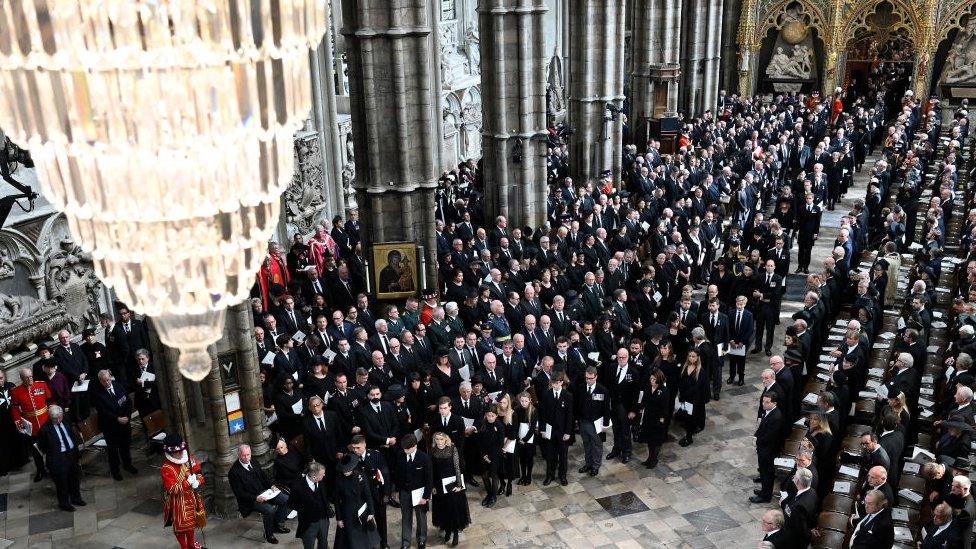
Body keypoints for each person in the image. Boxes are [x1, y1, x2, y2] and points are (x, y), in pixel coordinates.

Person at [228, 444, 291, 544]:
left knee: (285, 499)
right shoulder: (234, 472)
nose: (247, 457)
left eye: (248, 454)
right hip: (251, 499)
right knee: (269, 510)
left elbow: (264, 476)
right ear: (239, 455)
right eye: (244, 455)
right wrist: (256, 498)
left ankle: (277, 525)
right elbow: (239, 493)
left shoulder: (253, 461)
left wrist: (272, 486)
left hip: (266, 492)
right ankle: (269, 534)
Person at [90, 369, 137, 481]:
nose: (107, 383)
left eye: (108, 380)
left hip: (125, 423)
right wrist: (117, 419)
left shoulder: (118, 386)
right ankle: (115, 471)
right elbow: (103, 411)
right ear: (100, 381)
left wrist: (127, 417)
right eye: (104, 381)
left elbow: (128, 402)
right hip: (110, 426)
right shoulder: (98, 394)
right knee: (113, 451)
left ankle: (127, 464)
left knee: (125, 446)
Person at [160, 434, 205, 549]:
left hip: (192, 497)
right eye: (177, 452)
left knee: (192, 524)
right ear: (171, 453)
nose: (180, 453)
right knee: (181, 527)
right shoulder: (166, 468)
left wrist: (198, 482)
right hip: (179, 502)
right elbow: (172, 489)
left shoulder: (189, 459)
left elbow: (199, 472)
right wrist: (187, 483)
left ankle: (191, 544)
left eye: (181, 450)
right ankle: (184, 546)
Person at [37, 405, 84, 512]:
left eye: (59, 417)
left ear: (62, 415)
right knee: (62, 482)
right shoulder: (45, 430)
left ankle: (76, 498)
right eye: (55, 419)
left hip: (71, 453)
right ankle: (64, 503)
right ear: (50, 417)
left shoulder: (66, 420)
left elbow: (72, 435)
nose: (58, 420)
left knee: (74, 478)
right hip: (58, 457)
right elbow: (42, 446)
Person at [348, 434, 391, 549]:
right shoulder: (351, 459)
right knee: (365, 520)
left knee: (381, 520)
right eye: (354, 448)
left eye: (358, 447)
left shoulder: (376, 455)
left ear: (364, 444)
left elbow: (385, 474)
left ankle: (384, 543)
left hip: (377, 494)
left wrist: (386, 493)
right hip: (361, 497)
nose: (356, 450)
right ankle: (369, 544)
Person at [10, 366, 51, 482]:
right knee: (36, 451)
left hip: (45, 422)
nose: (29, 379)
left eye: (30, 376)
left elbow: (50, 400)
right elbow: (15, 409)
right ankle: (40, 471)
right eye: (26, 378)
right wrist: (18, 423)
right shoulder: (16, 391)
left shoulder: (41, 385)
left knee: (50, 447)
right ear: (21, 378)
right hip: (31, 426)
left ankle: (52, 467)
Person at [429, 432, 470, 547]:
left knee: (454, 509)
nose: (439, 441)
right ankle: (447, 530)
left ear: (446, 440)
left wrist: (459, 484)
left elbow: (457, 467)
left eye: (441, 439)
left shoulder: (452, 448)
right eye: (436, 439)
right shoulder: (432, 450)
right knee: (443, 508)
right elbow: (431, 469)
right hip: (438, 483)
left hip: (451, 483)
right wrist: (432, 486)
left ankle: (455, 533)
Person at [392, 433, 432, 549]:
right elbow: (398, 475)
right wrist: (397, 491)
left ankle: (421, 540)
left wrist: (425, 497)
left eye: (407, 449)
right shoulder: (400, 456)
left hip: (419, 494)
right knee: (406, 517)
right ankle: (405, 543)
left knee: (421, 518)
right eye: (403, 449)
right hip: (404, 492)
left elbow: (429, 479)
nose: (405, 451)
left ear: (415, 446)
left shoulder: (424, 458)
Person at [334, 453, 380, 549]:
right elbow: (337, 501)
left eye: (348, 470)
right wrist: (338, 518)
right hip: (347, 512)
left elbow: (368, 495)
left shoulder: (361, 476)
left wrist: (371, 512)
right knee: (351, 541)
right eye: (344, 470)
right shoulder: (338, 480)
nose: (345, 472)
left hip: (362, 510)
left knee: (366, 539)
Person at [537, 372, 573, 486]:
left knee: (563, 455)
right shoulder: (546, 394)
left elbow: (570, 416)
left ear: (562, 382)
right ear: (551, 383)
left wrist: (568, 432)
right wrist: (542, 429)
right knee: (550, 455)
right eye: (553, 383)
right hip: (549, 430)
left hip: (562, 431)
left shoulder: (568, 396)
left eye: (558, 383)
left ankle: (562, 476)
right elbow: (542, 413)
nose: (556, 385)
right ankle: (550, 475)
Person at [576, 366, 611, 476]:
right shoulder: (581, 388)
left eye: (591, 378)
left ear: (596, 377)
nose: (589, 380)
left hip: (596, 423)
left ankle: (595, 466)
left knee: (596, 445)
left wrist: (605, 424)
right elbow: (578, 405)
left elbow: (606, 409)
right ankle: (588, 463)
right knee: (586, 444)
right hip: (583, 422)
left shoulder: (603, 390)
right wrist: (577, 421)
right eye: (587, 378)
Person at [289, 460, 332, 549]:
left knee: (323, 542)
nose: (324, 475)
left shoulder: (321, 482)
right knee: (309, 545)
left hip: (323, 519)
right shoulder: (297, 486)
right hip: (308, 523)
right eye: (322, 474)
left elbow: (325, 497)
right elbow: (291, 504)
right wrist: (305, 510)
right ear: (314, 476)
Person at [604, 349, 638, 464]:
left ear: (628, 357)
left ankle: (627, 452)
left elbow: (635, 393)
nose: (621, 359)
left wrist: (633, 410)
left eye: (624, 357)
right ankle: (616, 449)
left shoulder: (633, 372)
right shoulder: (612, 368)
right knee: (616, 428)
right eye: (619, 357)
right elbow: (607, 386)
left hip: (626, 406)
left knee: (625, 430)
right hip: (614, 404)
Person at [751, 392, 784, 503]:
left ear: (774, 403)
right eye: (763, 401)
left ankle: (766, 496)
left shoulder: (776, 417)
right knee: (763, 472)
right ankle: (764, 490)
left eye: (767, 402)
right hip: (764, 448)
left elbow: (770, 436)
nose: (763, 404)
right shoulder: (768, 412)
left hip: (769, 450)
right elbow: (762, 428)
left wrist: (757, 441)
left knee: (767, 473)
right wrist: (756, 435)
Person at [638, 370, 669, 469]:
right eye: (651, 379)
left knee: (656, 440)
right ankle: (649, 458)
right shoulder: (648, 387)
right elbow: (643, 400)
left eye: (654, 379)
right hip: (648, 417)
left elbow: (665, 407)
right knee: (649, 440)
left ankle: (654, 459)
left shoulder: (663, 390)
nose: (652, 381)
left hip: (657, 419)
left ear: (659, 379)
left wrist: (662, 419)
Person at [0, 368, 28, 476]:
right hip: (2, 423)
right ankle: (9, 465)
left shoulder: (11, 385)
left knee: (19, 438)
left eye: (1, 378)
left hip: (15, 419)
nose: (0, 381)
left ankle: (22, 460)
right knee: (5, 444)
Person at [780, 467, 817, 547]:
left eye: (794, 477)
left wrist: (810, 535)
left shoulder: (798, 507)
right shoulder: (812, 492)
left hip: (795, 540)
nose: (793, 478)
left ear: (797, 481)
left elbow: (800, 529)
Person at [477, 404, 504, 508]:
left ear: (496, 415)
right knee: (484, 474)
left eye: (492, 416)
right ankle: (488, 494)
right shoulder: (482, 424)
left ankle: (493, 496)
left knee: (493, 475)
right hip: (484, 455)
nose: (490, 418)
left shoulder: (499, 426)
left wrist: (491, 457)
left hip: (495, 455)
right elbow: (479, 441)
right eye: (488, 415)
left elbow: (500, 444)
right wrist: (484, 455)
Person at [727, 295, 754, 386]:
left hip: (742, 343)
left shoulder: (749, 315)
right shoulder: (730, 313)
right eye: (738, 304)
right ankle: (731, 376)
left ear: (745, 304)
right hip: (732, 342)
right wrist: (731, 340)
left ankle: (741, 378)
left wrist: (742, 342)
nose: (739, 306)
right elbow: (728, 328)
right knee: (732, 361)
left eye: (741, 304)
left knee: (741, 361)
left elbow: (750, 330)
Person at [513, 391, 538, 485]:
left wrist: (525, 439)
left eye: (526, 401)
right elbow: (515, 425)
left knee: (529, 458)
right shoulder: (517, 409)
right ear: (520, 400)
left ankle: (528, 476)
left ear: (530, 401)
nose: (524, 403)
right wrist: (518, 439)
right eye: (522, 401)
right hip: (519, 438)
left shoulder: (534, 411)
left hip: (529, 439)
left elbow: (532, 429)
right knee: (522, 459)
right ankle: (523, 476)